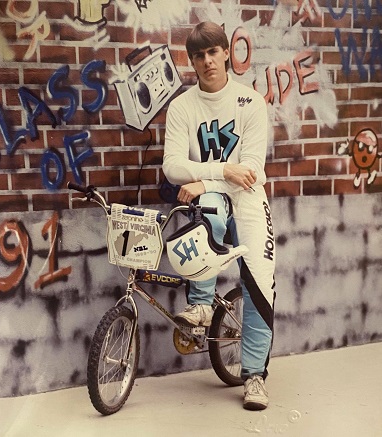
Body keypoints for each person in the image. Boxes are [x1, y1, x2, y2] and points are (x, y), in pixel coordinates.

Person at [162, 21, 276, 411]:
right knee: (207, 204)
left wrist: (210, 176)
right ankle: (202, 303)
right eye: (199, 55)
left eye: (213, 52)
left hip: (248, 200)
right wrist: (218, 174)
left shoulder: (250, 102)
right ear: (192, 61)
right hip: (216, 194)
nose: (207, 61)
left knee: (259, 281)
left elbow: (253, 171)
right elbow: (173, 167)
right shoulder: (182, 106)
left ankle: (255, 376)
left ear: (226, 52)